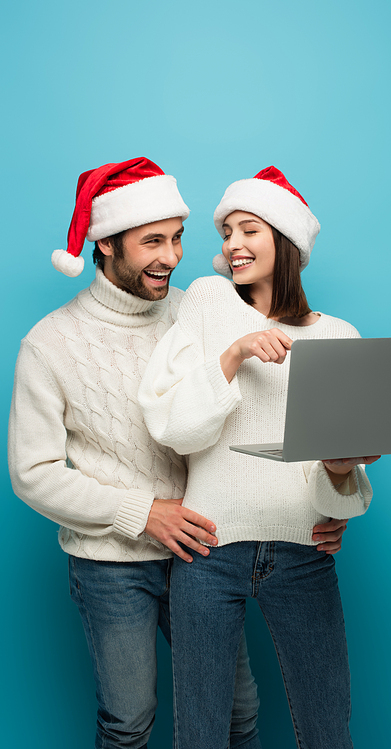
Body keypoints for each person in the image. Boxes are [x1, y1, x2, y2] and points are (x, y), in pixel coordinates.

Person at [8, 157, 262, 749]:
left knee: (238, 713)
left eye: (177, 239)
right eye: (152, 241)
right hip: (110, 565)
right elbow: (32, 473)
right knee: (129, 722)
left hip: (203, 549)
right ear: (105, 244)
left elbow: (247, 409)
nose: (171, 257)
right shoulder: (49, 344)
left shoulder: (194, 314)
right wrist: (144, 512)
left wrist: (333, 483)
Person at [139, 166, 380, 748]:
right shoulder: (206, 301)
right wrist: (235, 354)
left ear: (286, 240)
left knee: (327, 729)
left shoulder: (339, 337)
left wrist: (343, 470)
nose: (232, 246)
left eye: (249, 230)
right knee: (200, 732)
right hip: (210, 551)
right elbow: (172, 427)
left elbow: (339, 491)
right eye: (227, 234)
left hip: (303, 554)